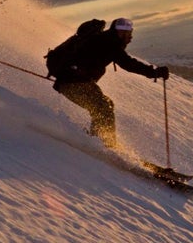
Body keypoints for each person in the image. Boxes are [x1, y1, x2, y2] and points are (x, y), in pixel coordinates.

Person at [52, 17, 169, 148]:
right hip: (72, 83)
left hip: (79, 82)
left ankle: (99, 139)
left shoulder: (106, 40)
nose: (129, 37)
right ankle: (102, 143)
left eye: (130, 33)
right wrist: (154, 72)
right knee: (103, 108)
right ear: (118, 32)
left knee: (106, 105)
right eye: (126, 33)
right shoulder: (109, 43)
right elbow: (128, 64)